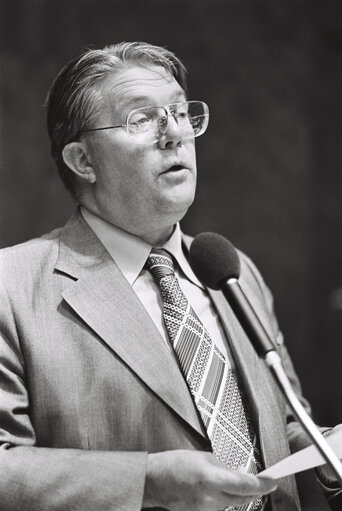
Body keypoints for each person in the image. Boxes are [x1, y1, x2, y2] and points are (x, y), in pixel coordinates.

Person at [0, 41, 340, 511]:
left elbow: (280, 425)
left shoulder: (230, 269)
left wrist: (326, 456)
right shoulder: (11, 287)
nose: (174, 134)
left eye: (180, 114)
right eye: (142, 119)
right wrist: (147, 481)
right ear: (83, 161)